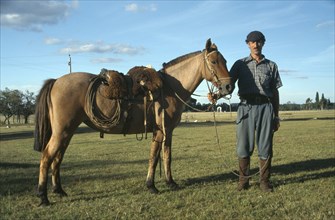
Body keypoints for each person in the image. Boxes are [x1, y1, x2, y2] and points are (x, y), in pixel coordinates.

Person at [209, 31, 282, 192]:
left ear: (263, 43)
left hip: (266, 107)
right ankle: (243, 182)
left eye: (259, 42)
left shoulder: (272, 65)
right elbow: (228, 86)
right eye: (252, 42)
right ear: (248, 44)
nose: (256, 45)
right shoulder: (239, 64)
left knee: (265, 146)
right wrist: (216, 95)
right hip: (245, 108)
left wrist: (276, 116)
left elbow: (275, 93)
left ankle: (264, 182)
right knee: (243, 146)